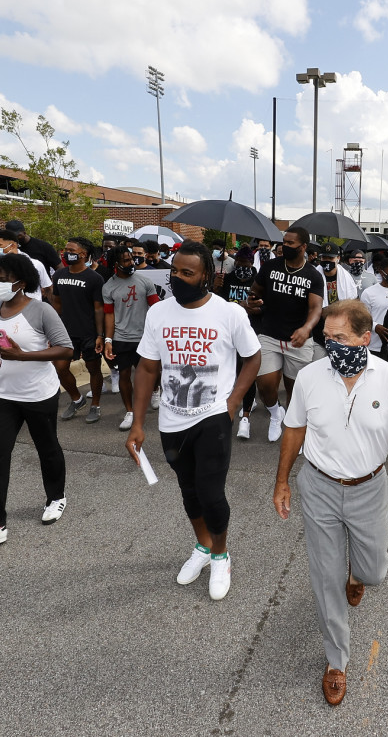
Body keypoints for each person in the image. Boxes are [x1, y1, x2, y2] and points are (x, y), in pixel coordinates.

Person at [273, 299, 388, 705]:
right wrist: (283, 482)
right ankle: (336, 660)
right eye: (328, 339)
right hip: (319, 486)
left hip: (370, 488)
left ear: (365, 337)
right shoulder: (309, 377)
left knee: (374, 571)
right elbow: (293, 429)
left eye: (340, 338)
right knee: (326, 580)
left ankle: (357, 576)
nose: (333, 346)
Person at [127, 241, 261, 600]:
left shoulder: (229, 313)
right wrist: (138, 422)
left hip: (213, 416)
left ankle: (221, 555)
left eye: (187, 272)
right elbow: (147, 367)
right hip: (172, 420)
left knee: (211, 493)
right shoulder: (159, 314)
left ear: (207, 276)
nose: (178, 278)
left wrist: (233, 402)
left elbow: (253, 358)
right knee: (189, 492)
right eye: (174, 271)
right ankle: (202, 547)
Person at [0, 253, 73, 554]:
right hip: (4, 395)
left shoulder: (41, 311)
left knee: (47, 449)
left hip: (38, 394)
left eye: (2, 279)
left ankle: (56, 496)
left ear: (21, 282)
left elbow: (65, 350)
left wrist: (24, 356)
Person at [246, 227, 324, 442]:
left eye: (290, 243)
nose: (284, 246)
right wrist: (252, 300)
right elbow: (255, 291)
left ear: (303, 247)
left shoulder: (313, 276)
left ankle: (294, 430)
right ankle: (274, 413)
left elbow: (316, 308)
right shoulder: (270, 267)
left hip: (298, 340)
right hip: (269, 335)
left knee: (295, 391)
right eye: (283, 242)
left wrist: (306, 328)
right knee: (266, 384)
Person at [102, 245, 161, 431]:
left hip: (145, 337)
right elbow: (109, 316)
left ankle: (155, 390)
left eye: (131, 259)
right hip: (122, 338)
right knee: (124, 374)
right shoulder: (108, 287)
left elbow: (157, 308)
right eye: (126, 260)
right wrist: (108, 340)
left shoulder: (145, 281)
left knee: (151, 372)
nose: (131, 262)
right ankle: (130, 411)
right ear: (116, 264)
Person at [52, 238, 106, 423]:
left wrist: (100, 335)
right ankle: (77, 399)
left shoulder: (94, 278)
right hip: (65, 332)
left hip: (89, 332)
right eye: (65, 248)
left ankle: (95, 405)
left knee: (93, 369)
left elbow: (99, 308)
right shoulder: (59, 275)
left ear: (83, 254)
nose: (66, 252)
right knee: (60, 368)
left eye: (70, 249)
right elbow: (56, 303)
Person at [218, 246, 262, 439]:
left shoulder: (259, 280)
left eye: (246, 264)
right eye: (239, 264)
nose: (242, 267)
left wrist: (253, 308)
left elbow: (263, 305)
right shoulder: (227, 278)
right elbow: (218, 304)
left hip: (251, 330)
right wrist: (216, 287)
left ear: (252, 264)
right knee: (233, 371)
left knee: (246, 372)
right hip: (228, 332)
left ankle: (245, 418)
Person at [311, 244, 359, 359]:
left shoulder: (347, 278)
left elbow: (354, 305)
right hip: (318, 333)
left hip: (341, 331)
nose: (327, 261)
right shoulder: (313, 276)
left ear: (338, 258)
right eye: (324, 258)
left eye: (330, 258)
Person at [358, 256, 388, 364]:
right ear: (381, 272)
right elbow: (363, 319)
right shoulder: (369, 293)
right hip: (374, 347)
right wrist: (375, 327)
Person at [0, 230, 53, 302]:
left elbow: (48, 288)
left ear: (13, 245)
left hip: (32, 310)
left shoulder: (35, 264)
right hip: (3, 309)